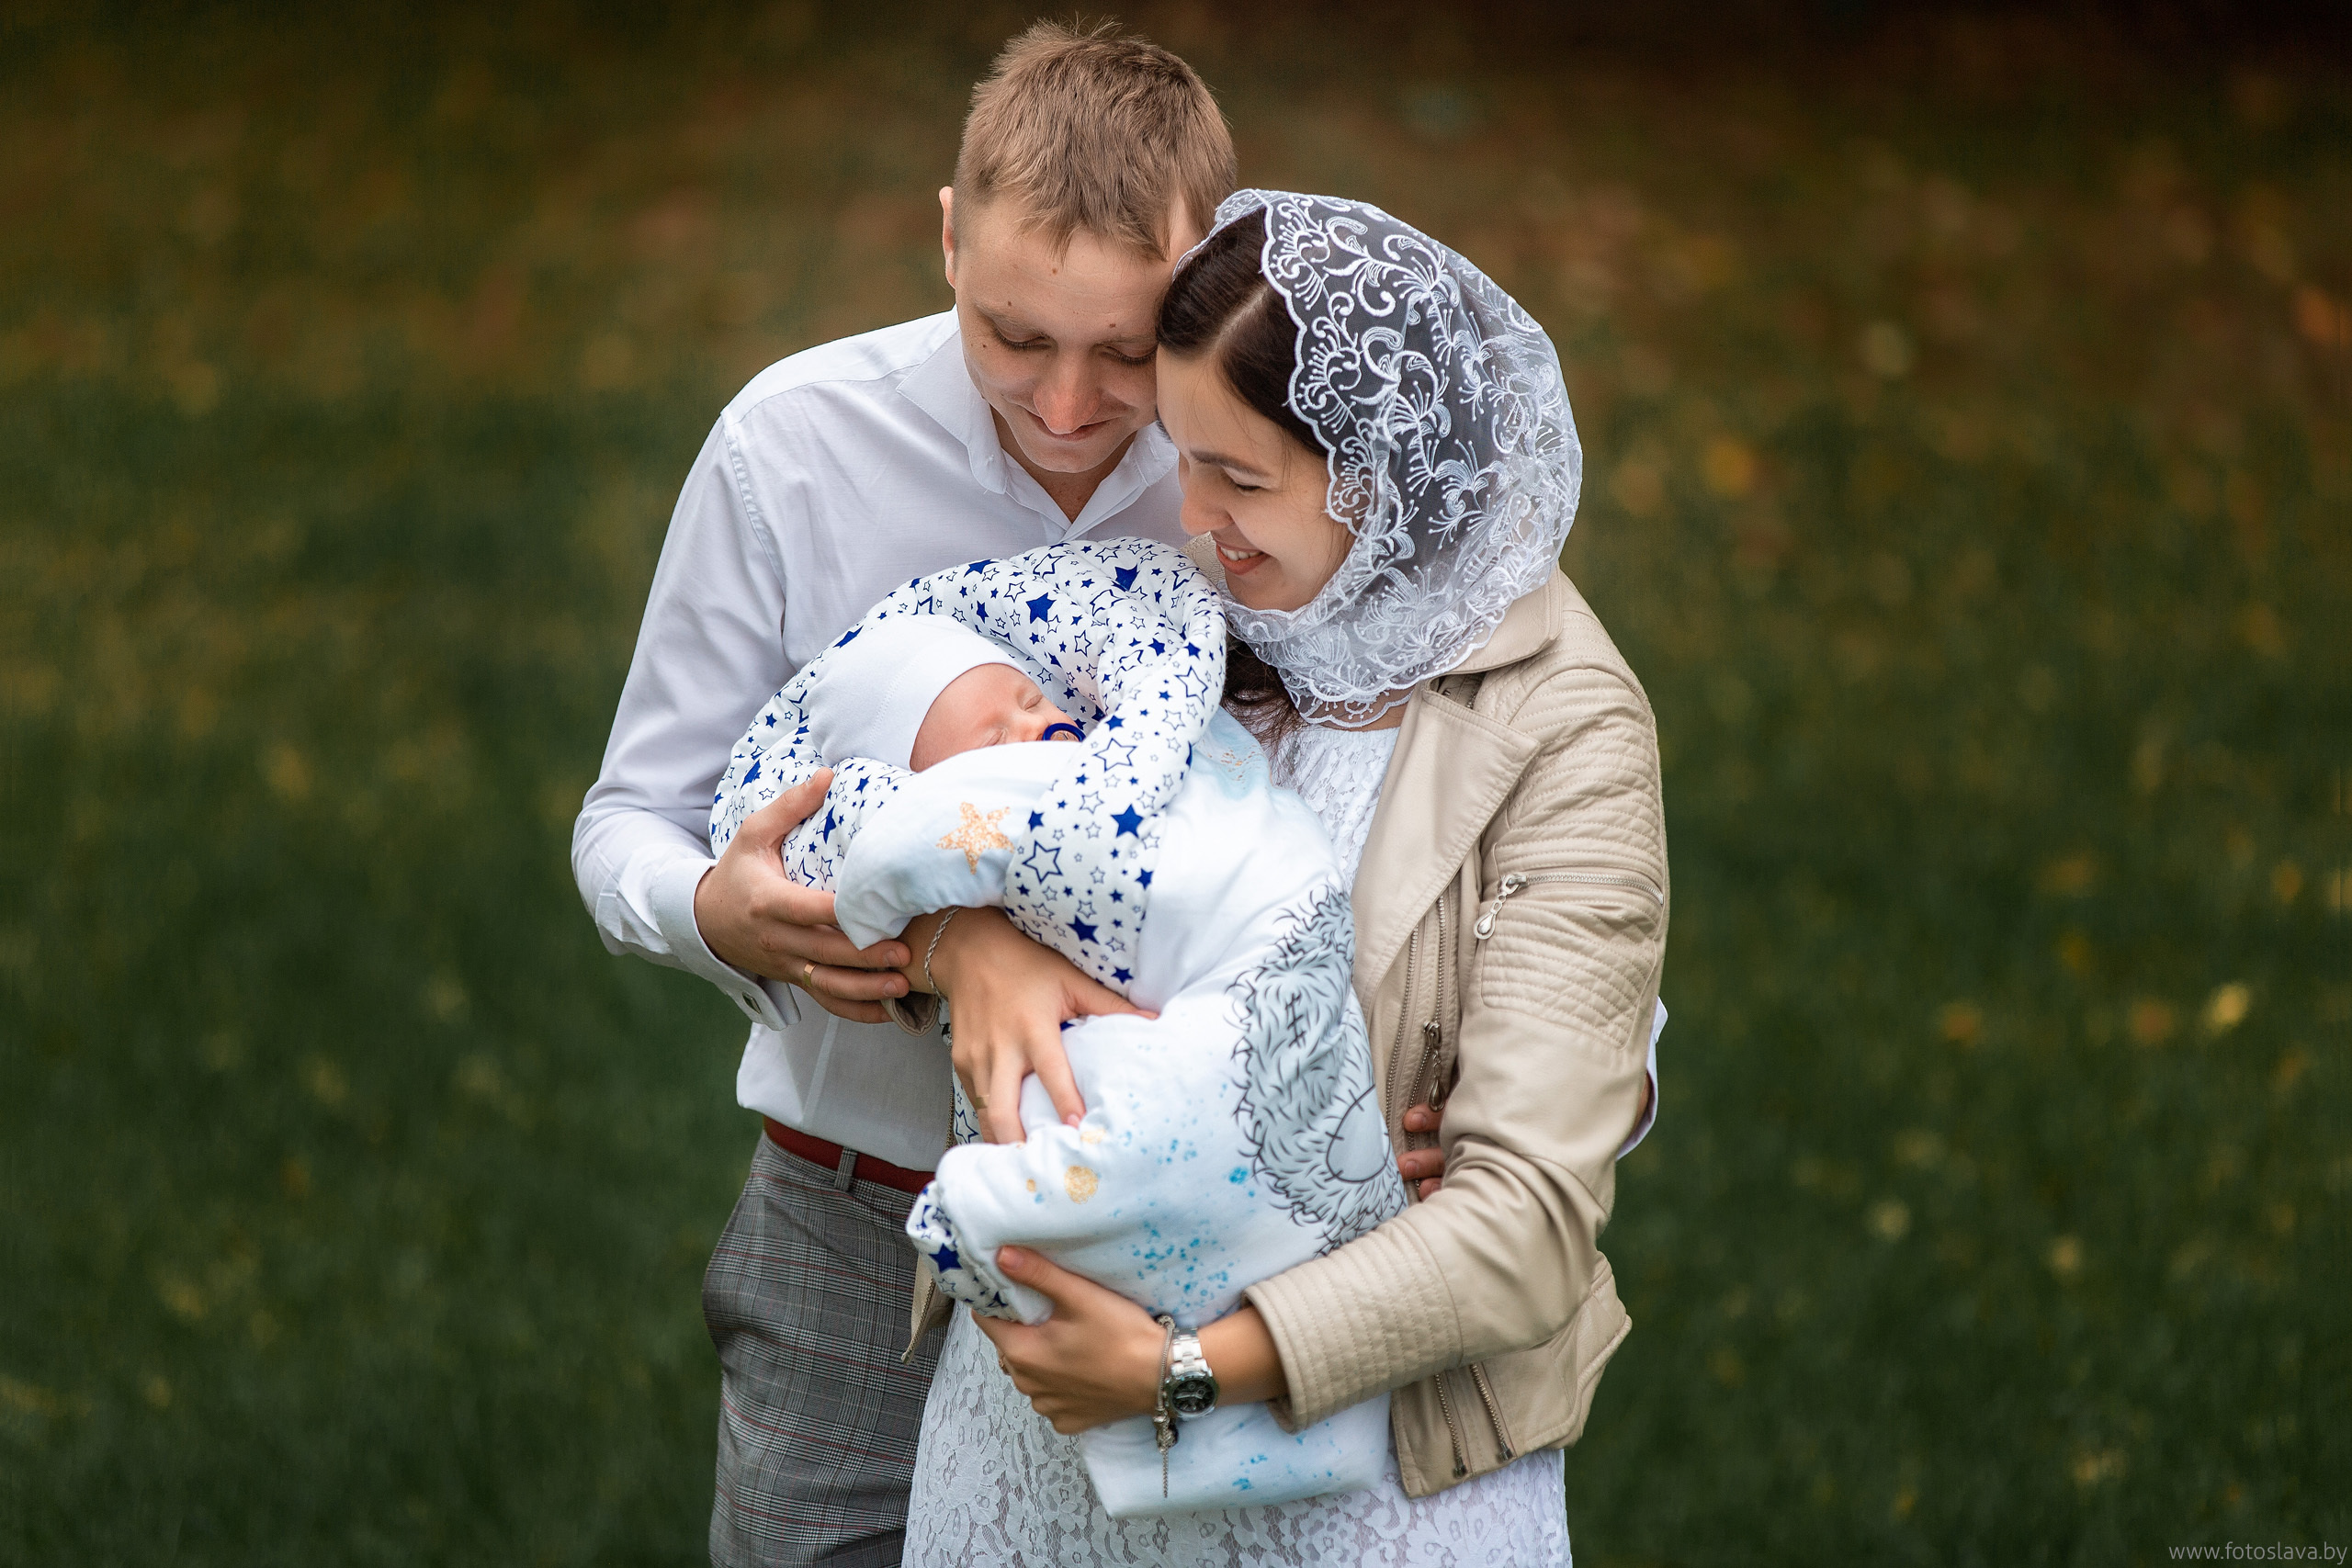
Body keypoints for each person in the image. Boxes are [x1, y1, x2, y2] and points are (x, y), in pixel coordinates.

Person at [898, 193, 1668, 1565]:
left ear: (1373, 476)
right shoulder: (1173, 629)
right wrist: (966, 942)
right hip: (1035, 1426)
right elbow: (927, 794)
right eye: (1183, 461)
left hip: (1351, 1455)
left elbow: (1531, 1224)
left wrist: (1180, 1371)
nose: (1198, 521)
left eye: (1241, 479)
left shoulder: (1567, 725)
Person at [571, 23, 1236, 1566]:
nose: (1069, 405)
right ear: (946, 236)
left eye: (1128, 350)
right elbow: (628, 820)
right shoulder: (792, 449)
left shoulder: (1252, 476)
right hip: (849, 1205)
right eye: (1014, 335)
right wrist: (716, 914)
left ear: (1203, 288)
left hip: (1167, 1210)